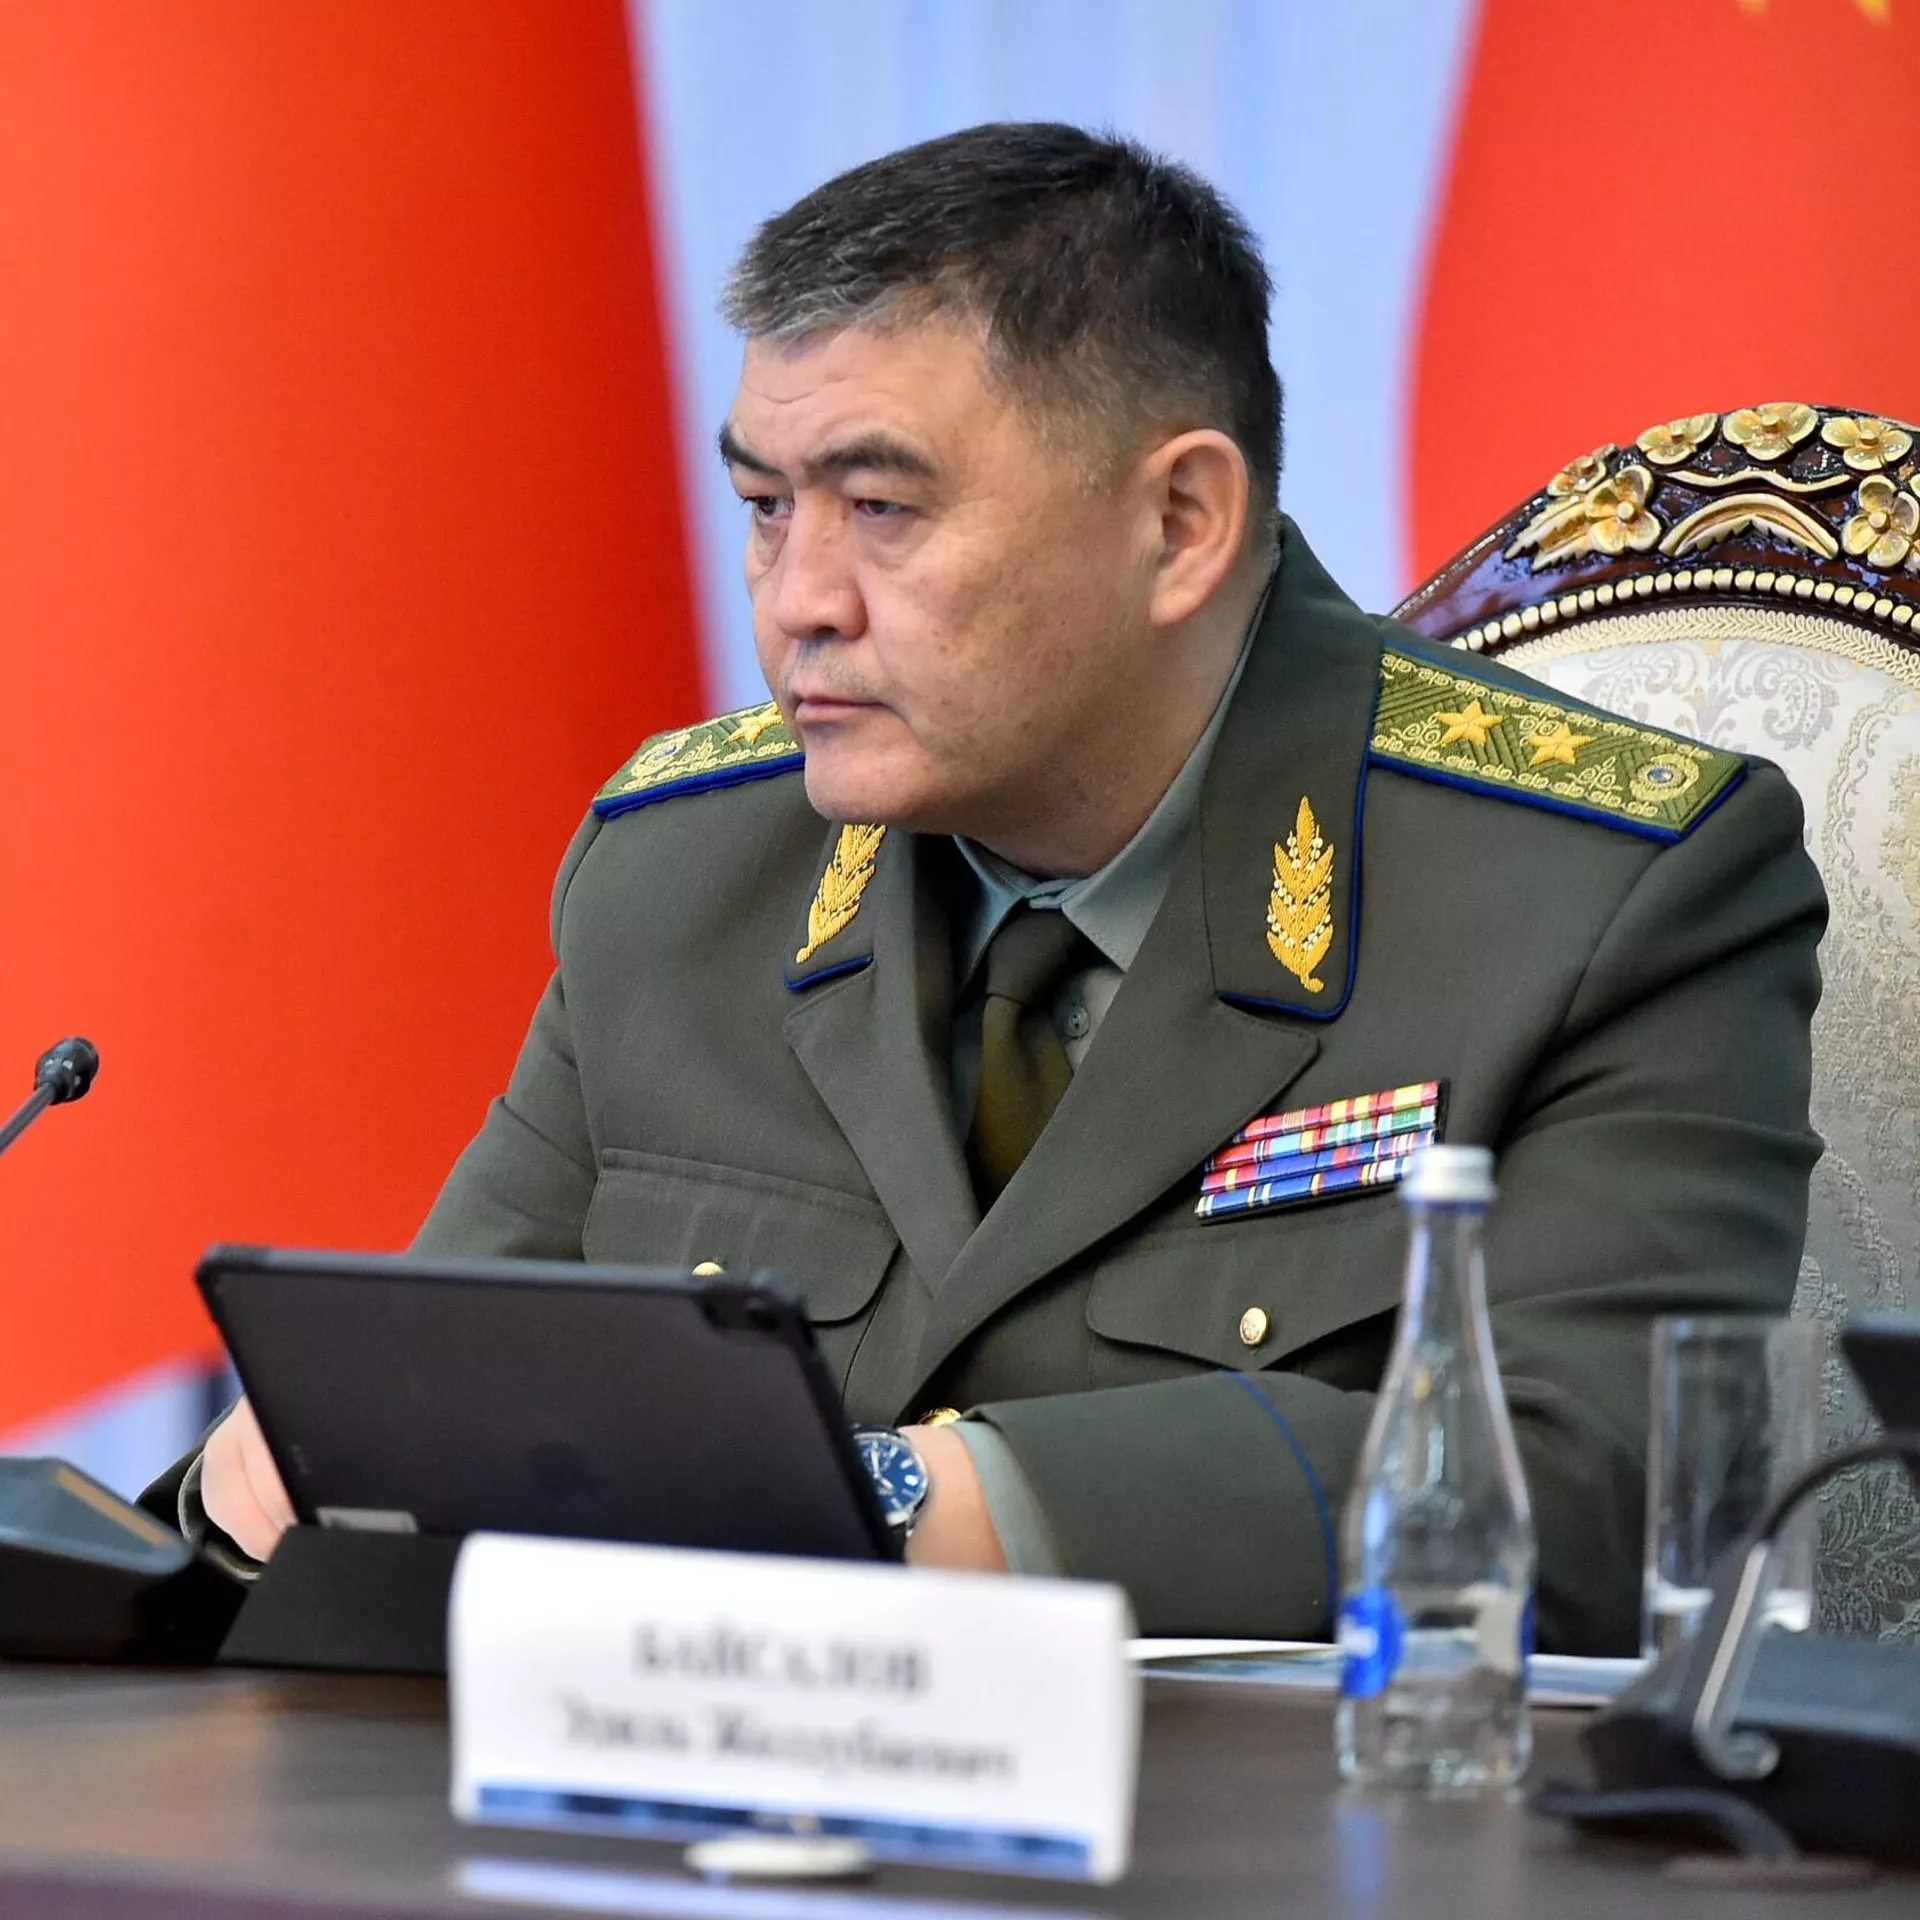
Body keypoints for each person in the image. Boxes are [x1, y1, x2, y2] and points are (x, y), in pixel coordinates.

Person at [149, 124, 1825, 1653]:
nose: (798, 600)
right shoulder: (681, 870)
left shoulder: (1602, 889)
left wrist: (894, 1503)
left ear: (1180, 522)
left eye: (881, 509)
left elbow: (1597, 1492)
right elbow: (426, 1407)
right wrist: (277, 1479)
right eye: (764, 508)